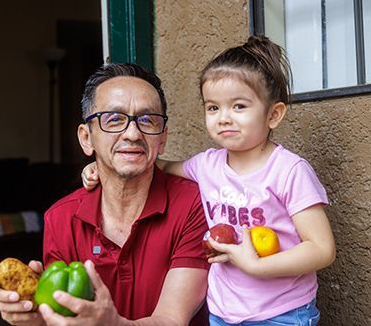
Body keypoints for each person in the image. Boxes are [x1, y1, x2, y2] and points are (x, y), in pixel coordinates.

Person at [82, 36, 336, 325]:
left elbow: (321, 248)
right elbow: (155, 164)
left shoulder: (289, 170)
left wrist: (256, 266)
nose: (224, 118)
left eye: (239, 106)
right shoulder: (208, 164)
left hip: (282, 313)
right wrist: (102, 169)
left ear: (274, 114)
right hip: (223, 313)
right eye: (213, 108)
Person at [0, 63, 210, 326]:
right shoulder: (61, 218)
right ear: (86, 138)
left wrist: (112, 323)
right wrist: (39, 317)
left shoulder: (195, 204)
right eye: (114, 119)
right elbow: (67, 318)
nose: (132, 133)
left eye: (148, 120)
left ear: (162, 139)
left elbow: (173, 320)